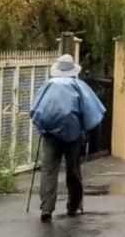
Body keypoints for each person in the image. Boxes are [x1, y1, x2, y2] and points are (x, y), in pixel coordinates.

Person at [28, 55, 106, 223]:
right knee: (73, 170)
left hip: (49, 134)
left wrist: (42, 127)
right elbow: (91, 111)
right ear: (72, 70)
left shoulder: (47, 85)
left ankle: (46, 208)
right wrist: (84, 130)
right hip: (73, 134)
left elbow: (34, 109)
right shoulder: (78, 86)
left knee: (49, 170)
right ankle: (74, 205)